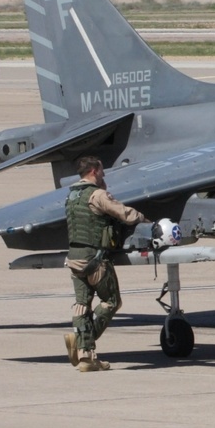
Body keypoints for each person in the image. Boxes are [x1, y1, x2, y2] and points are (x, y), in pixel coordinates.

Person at [64, 156, 146, 372]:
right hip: (95, 259)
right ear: (93, 171)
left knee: (82, 304)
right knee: (111, 301)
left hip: (74, 258)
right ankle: (82, 340)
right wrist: (143, 219)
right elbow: (123, 213)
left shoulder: (72, 195)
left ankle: (86, 359)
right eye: (101, 171)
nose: (104, 174)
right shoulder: (97, 195)